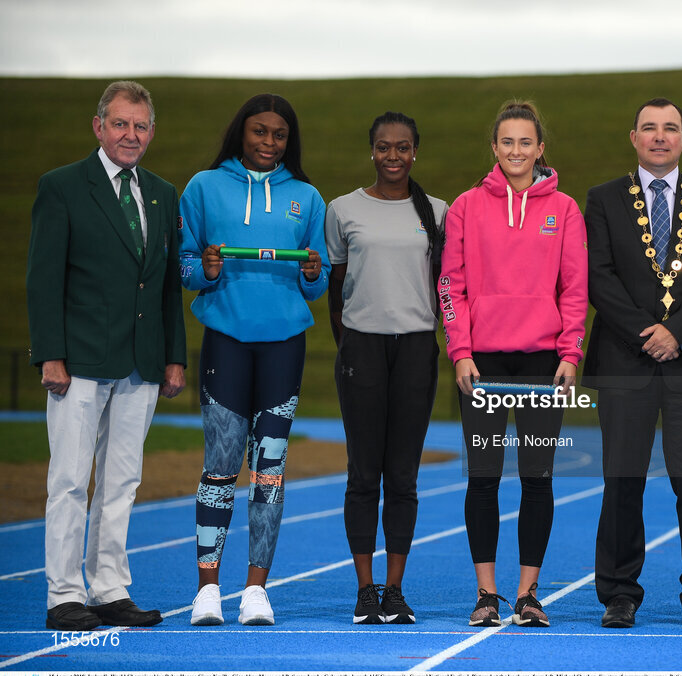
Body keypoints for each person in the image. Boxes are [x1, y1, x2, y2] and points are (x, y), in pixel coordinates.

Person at [26, 80, 187, 631]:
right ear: (99, 127)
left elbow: (167, 286)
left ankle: (110, 587)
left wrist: (173, 355)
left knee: (122, 481)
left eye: (140, 126)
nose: (131, 135)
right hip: (79, 361)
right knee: (69, 479)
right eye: (121, 123)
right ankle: (64, 594)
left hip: (142, 363)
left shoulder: (164, 193)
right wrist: (50, 354)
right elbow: (43, 280)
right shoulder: (63, 187)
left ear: (151, 132)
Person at [582, 97, 682, 629]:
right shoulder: (601, 200)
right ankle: (619, 591)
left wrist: (678, 332)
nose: (660, 137)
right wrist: (648, 334)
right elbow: (598, 276)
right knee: (623, 480)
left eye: (671, 128)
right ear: (634, 137)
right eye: (650, 128)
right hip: (627, 358)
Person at [178, 93, 329, 626]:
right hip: (225, 340)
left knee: (269, 472)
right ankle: (207, 591)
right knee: (219, 468)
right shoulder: (204, 187)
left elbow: (320, 282)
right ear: (241, 132)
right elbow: (186, 265)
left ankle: (256, 591)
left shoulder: (308, 197)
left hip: (285, 345)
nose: (269, 142)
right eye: (259, 132)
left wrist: (313, 274)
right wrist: (208, 270)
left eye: (279, 134)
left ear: (291, 140)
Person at [439, 100, 588, 628]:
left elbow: (574, 288)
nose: (516, 151)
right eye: (507, 142)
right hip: (482, 362)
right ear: (495, 148)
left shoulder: (565, 209)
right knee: (483, 478)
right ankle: (486, 594)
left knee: (536, 479)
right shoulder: (465, 207)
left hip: (544, 363)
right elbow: (449, 286)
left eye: (526, 142)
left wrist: (571, 353)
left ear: (540, 148)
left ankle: (527, 595)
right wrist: (460, 351)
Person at [325, 112, 447, 625]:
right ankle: (364, 588)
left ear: (415, 151)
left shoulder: (438, 211)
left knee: (403, 475)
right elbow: (334, 287)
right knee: (363, 473)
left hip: (417, 348)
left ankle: (394, 590)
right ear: (371, 151)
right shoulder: (342, 209)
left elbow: (445, 286)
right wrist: (351, 343)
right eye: (383, 147)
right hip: (363, 350)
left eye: (402, 148)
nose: (392, 156)